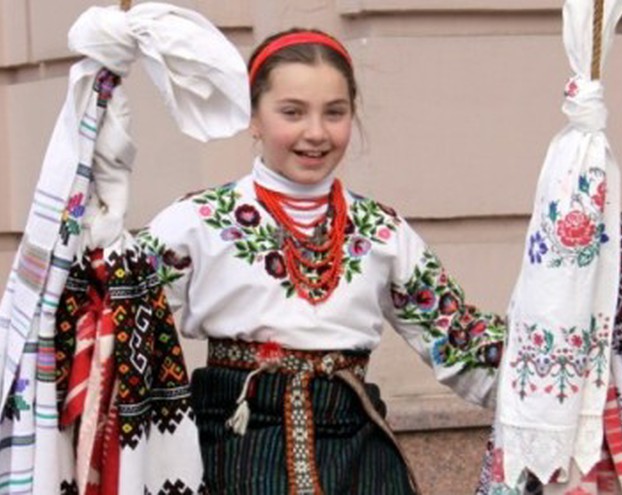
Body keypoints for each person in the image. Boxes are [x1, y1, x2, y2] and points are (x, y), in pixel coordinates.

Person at [135, 27, 505, 495]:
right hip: (233, 456)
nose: (316, 133)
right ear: (253, 116)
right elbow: (114, 317)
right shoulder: (199, 221)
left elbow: (460, 343)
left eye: (335, 112)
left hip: (360, 464)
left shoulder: (382, 230)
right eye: (292, 112)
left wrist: (563, 354)